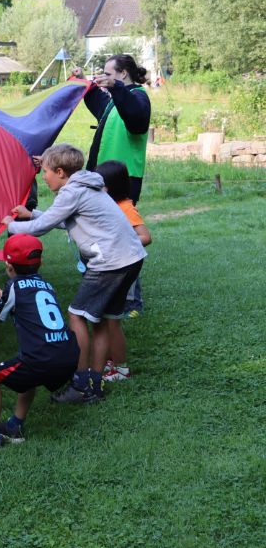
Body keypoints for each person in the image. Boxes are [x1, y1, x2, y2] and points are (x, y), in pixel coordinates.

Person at [5, 143, 146, 404]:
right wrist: (31, 214)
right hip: (131, 258)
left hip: (110, 262)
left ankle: (81, 384)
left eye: (46, 172)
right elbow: (63, 219)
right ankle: (94, 383)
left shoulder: (73, 191)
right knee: (100, 320)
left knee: (77, 315)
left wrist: (10, 225)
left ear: (60, 172)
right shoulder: (87, 186)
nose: (43, 177)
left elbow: (42, 227)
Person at [0, 235, 79, 446]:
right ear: (39, 263)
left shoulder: (14, 285)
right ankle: (14, 426)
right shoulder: (46, 285)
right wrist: (4, 297)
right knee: (26, 374)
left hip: (41, 358)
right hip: (68, 355)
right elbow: (27, 305)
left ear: (9, 266)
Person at [95, 160, 153, 382]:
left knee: (112, 320)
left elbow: (145, 237)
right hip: (110, 268)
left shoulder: (125, 208)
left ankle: (121, 369)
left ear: (109, 186)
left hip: (122, 269)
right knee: (105, 318)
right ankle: (111, 361)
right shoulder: (108, 205)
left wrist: (116, 244)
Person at [82, 54, 151, 203]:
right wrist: (82, 80)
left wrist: (116, 87)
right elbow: (99, 101)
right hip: (104, 176)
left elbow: (136, 117)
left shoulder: (139, 96)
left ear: (123, 73)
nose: (104, 77)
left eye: (108, 74)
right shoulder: (116, 100)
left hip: (123, 179)